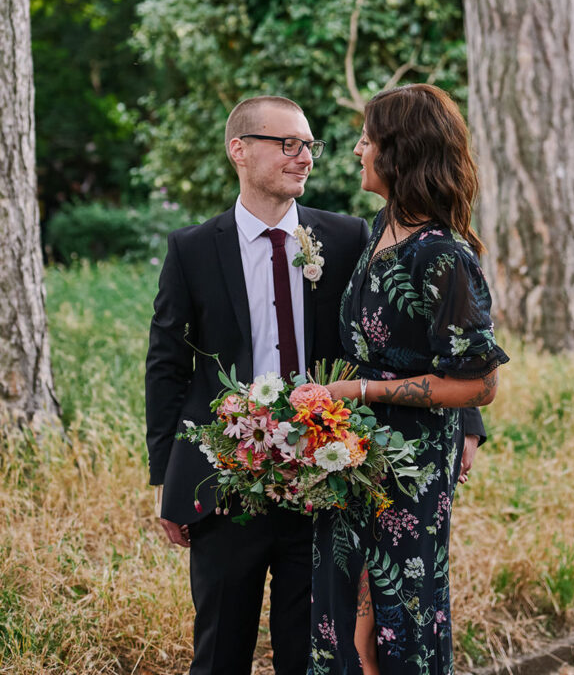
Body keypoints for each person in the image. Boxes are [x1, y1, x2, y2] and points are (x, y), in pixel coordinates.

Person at [145, 93, 488, 675]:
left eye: (309, 145)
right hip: (228, 481)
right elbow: (167, 368)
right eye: (287, 144)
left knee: (316, 654)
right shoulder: (193, 250)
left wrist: (468, 427)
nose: (305, 156)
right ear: (240, 150)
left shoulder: (353, 236)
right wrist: (167, 480)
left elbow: (416, 341)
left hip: (330, 481)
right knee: (218, 651)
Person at [307, 84, 509, 675]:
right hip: (350, 453)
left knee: (401, 606)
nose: (356, 151)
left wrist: (362, 392)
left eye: (367, 140)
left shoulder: (441, 255)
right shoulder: (377, 230)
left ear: (399, 153)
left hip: (410, 463)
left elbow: (478, 384)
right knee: (348, 603)